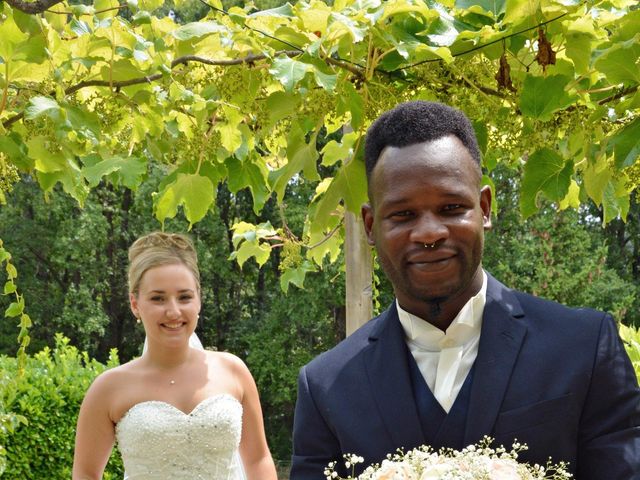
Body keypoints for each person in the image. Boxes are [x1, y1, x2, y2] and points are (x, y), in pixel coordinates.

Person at [291, 101, 640, 479]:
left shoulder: (584, 347)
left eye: (451, 207)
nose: (429, 233)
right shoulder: (325, 386)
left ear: (485, 209)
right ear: (371, 226)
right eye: (403, 215)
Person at [73, 232, 278, 480]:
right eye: (158, 298)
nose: (173, 311)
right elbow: (85, 473)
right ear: (135, 304)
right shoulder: (108, 388)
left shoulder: (233, 371)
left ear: (199, 300)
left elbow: (258, 460)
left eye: (184, 297)